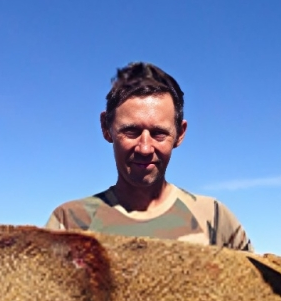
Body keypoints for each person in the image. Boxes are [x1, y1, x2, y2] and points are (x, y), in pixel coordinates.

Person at [46, 62, 253, 251]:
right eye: (131, 132)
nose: (145, 148)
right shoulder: (70, 223)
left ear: (180, 134)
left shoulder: (214, 219)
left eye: (159, 134)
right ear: (106, 127)